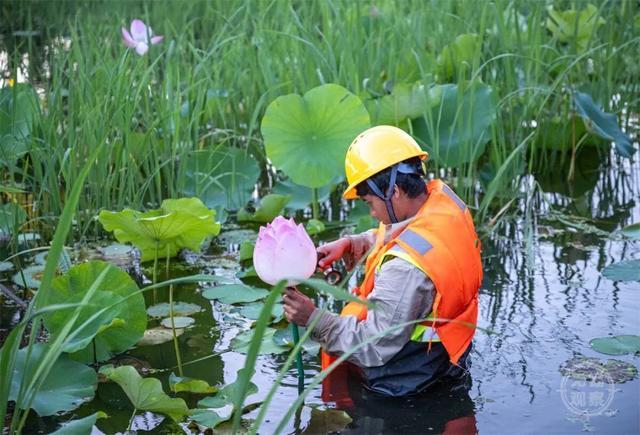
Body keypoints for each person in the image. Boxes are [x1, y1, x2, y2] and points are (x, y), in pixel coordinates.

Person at [282, 125, 482, 398]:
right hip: (449, 358)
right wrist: (355, 243)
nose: (372, 212)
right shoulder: (443, 202)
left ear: (395, 191)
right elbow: (418, 236)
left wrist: (313, 319)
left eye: (369, 201)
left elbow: (373, 347)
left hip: (404, 382)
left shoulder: (405, 268)